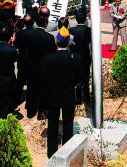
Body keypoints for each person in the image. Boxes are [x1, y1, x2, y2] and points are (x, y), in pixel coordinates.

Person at [41, 27, 83, 158]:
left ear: (56, 42)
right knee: (68, 124)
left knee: (52, 125)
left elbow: (44, 83)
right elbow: (79, 79)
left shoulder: (48, 59)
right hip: (69, 96)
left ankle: (51, 153)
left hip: (53, 97)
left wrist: (42, 104)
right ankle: (67, 152)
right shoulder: (76, 58)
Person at [26, 13, 56, 118]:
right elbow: (53, 53)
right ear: (46, 24)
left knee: (31, 87)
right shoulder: (49, 37)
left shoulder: (29, 35)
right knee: (43, 88)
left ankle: (30, 110)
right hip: (44, 66)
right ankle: (41, 111)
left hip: (31, 64)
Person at [69, 10, 91, 102]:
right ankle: (86, 97)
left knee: (75, 76)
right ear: (85, 19)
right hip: (85, 55)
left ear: (76, 20)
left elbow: (69, 44)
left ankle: (77, 97)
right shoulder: (89, 30)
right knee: (86, 77)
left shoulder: (72, 30)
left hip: (75, 56)